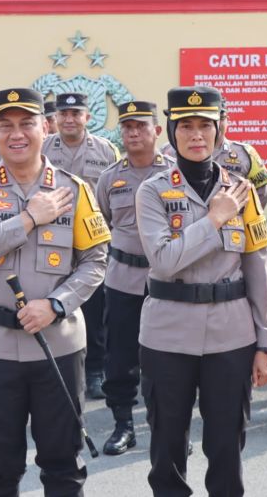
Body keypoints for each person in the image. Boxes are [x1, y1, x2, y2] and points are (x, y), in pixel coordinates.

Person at [0, 87, 109, 496]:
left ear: (47, 126)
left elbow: (95, 262)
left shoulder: (75, 190)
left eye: (27, 123)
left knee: (63, 462)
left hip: (58, 344)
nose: (16, 133)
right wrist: (27, 219)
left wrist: (57, 304)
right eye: (6, 125)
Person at [136, 86, 267, 497]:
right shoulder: (153, 190)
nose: (196, 135)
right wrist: (214, 219)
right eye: (186, 126)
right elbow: (163, 260)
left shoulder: (241, 190)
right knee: (167, 443)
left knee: (226, 442)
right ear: (171, 131)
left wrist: (266, 342)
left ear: (222, 129)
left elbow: (258, 265)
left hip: (230, 332)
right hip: (168, 330)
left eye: (205, 126)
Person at [95, 100, 172, 455]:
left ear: (157, 130)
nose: (134, 133)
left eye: (141, 126)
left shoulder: (176, 173)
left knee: (170, 358)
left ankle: (169, 427)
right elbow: (104, 222)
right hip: (123, 278)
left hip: (168, 282)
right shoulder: (110, 177)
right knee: (120, 354)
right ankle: (123, 424)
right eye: (127, 127)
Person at [43, 92, 121, 399]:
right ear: (56, 118)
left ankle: (94, 371)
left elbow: (116, 192)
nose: (70, 119)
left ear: (88, 117)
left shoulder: (106, 150)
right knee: (51, 301)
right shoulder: (44, 148)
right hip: (50, 239)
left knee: (93, 306)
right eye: (64, 114)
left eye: (76, 113)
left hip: (91, 241)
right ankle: (53, 367)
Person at [163, 105, 267, 208]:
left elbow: (261, 194)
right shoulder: (168, 152)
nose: (218, 123)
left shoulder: (245, 153)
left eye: (221, 118)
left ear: (228, 120)